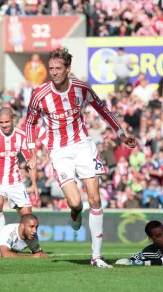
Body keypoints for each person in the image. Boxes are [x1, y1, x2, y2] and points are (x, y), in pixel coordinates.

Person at [25, 48, 138, 268]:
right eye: (51, 68)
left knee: (95, 199)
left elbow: (103, 110)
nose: (54, 72)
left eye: (58, 68)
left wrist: (121, 134)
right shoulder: (40, 94)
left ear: (68, 69)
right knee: (76, 201)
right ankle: (75, 212)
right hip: (59, 151)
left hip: (83, 146)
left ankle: (96, 257)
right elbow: (30, 123)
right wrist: (31, 152)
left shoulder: (81, 88)